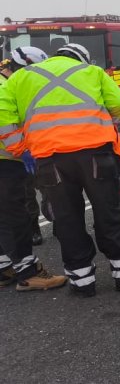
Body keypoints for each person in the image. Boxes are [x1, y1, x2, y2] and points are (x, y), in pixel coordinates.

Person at [0, 43, 120, 297]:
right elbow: (119, 103)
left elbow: (4, 114)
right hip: (96, 154)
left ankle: (82, 281)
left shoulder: (20, 78)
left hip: (50, 158)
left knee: (67, 217)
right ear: (81, 58)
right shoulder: (92, 72)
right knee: (107, 210)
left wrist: (21, 148)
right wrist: (107, 123)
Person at [0, 46, 66, 291]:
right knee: (15, 217)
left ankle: (5, 268)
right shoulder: (6, 86)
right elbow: (4, 121)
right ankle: (29, 273)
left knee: (3, 217)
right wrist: (22, 149)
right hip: (6, 161)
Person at [1, 57, 46, 245]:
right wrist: (21, 150)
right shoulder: (7, 85)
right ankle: (33, 229)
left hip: (33, 146)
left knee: (46, 186)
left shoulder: (16, 83)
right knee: (28, 192)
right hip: (17, 152)